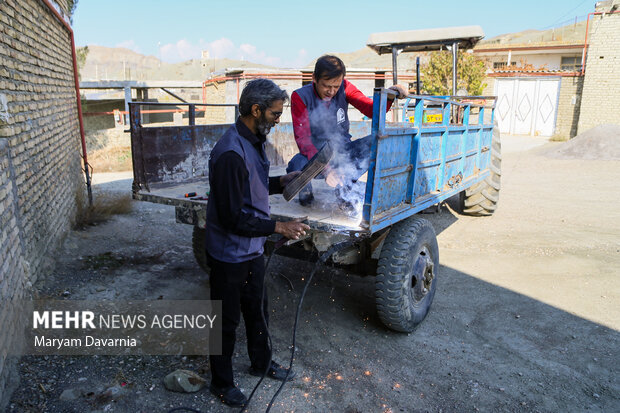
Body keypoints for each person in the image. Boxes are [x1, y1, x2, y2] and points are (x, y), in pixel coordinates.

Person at [205, 78, 310, 407]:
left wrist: (282, 181)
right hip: (228, 254)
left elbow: (253, 183)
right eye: (276, 114)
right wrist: (279, 226)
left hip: (250, 250)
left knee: (257, 309)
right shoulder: (229, 153)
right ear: (256, 110)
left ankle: (261, 363)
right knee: (225, 321)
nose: (279, 119)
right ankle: (222, 383)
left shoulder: (252, 141)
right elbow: (232, 217)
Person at [287, 54, 409, 207]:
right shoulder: (300, 97)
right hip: (315, 155)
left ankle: (345, 188)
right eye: (326, 86)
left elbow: (371, 109)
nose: (331, 91)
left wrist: (391, 94)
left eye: (336, 86)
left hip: (343, 152)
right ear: (314, 79)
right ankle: (307, 197)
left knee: (376, 141)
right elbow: (304, 141)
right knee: (295, 165)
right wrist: (327, 170)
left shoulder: (345, 87)